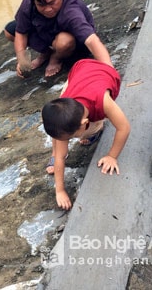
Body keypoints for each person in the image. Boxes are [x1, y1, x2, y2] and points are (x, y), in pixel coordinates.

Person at [41, 59, 130, 210]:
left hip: (103, 75)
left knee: (94, 127)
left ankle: (94, 132)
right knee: (59, 127)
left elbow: (124, 128)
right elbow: (61, 157)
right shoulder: (65, 102)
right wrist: (60, 190)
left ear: (84, 123)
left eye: (70, 138)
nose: (67, 141)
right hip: (80, 70)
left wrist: (112, 156)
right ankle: (55, 148)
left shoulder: (103, 102)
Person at [4, 0, 112, 77]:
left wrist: (110, 71)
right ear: (34, 2)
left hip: (73, 42)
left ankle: (56, 58)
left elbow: (91, 40)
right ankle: (46, 53)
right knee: (9, 31)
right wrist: (22, 60)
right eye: (41, 5)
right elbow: (21, 32)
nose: (47, 9)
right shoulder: (28, 2)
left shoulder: (71, 11)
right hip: (47, 33)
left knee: (64, 41)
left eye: (52, 3)